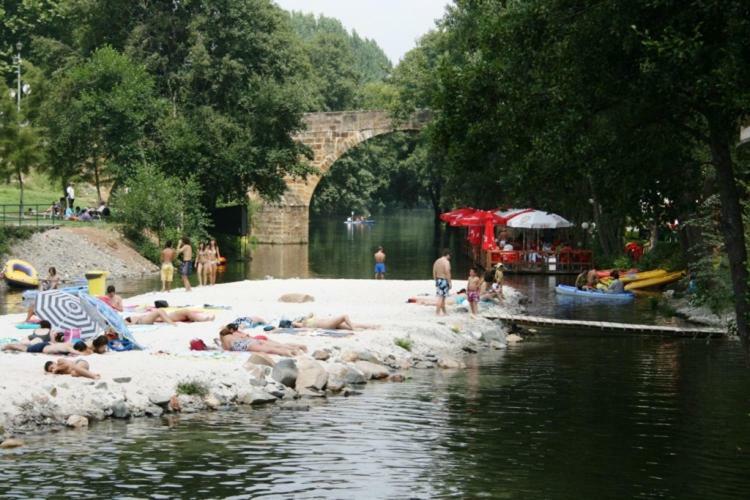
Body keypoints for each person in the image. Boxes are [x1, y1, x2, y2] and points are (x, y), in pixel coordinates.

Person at [219, 326, 307, 356]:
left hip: (246, 345)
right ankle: (295, 348)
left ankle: (289, 353)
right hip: (252, 340)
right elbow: (245, 336)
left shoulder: (225, 338)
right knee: (276, 346)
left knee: (271, 350)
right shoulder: (235, 334)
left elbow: (227, 348)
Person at [291, 313, 373, 331]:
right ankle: (353, 329)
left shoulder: (305, 322)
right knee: (345, 316)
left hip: (328, 324)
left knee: (350, 324)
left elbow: (312, 314)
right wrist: (297, 321)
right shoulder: (304, 323)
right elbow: (293, 323)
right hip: (327, 325)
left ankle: (372, 327)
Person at [432, 249, 452, 316]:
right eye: (450, 256)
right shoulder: (446, 262)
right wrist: (449, 282)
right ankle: (437, 312)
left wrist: (436, 280)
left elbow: (434, 271)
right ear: (447, 255)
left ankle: (444, 312)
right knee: (441, 297)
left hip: (438, 280)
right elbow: (447, 272)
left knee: (443, 297)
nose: (450, 257)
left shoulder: (437, 261)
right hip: (444, 280)